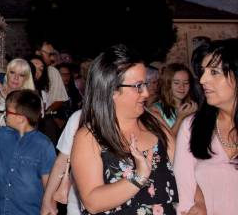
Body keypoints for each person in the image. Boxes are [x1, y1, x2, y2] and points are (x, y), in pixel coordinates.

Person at [72, 45, 177, 215]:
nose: (146, 93)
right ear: (112, 90)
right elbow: (92, 201)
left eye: (146, 84)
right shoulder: (89, 137)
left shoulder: (155, 123)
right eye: (138, 86)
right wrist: (138, 177)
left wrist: (199, 202)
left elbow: (183, 170)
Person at [174, 38, 238, 215]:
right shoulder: (191, 127)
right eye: (202, 72)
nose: (202, 80)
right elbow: (183, 186)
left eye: (214, 72)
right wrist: (196, 206)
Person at [0, 89, 55, 215]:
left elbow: (49, 187)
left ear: (21, 119)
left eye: (8, 112)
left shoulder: (44, 146)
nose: (5, 115)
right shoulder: (2, 134)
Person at [150, 63, 197, 136]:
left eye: (186, 83)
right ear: (168, 84)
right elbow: (165, 142)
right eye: (176, 83)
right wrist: (180, 119)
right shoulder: (155, 110)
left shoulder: (192, 107)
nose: (182, 87)